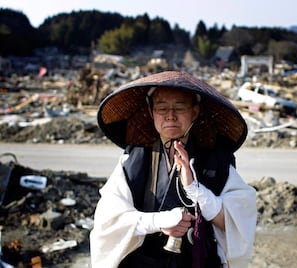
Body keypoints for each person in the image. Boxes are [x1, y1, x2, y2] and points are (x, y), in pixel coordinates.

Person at [90, 71, 257, 268]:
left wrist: (195, 189)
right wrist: (158, 221)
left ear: (194, 113)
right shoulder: (134, 160)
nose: (170, 116)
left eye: (180, 107)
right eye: (162, 108)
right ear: (151, 112)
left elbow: (236, 221)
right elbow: (108, 220)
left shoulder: (216, 160)